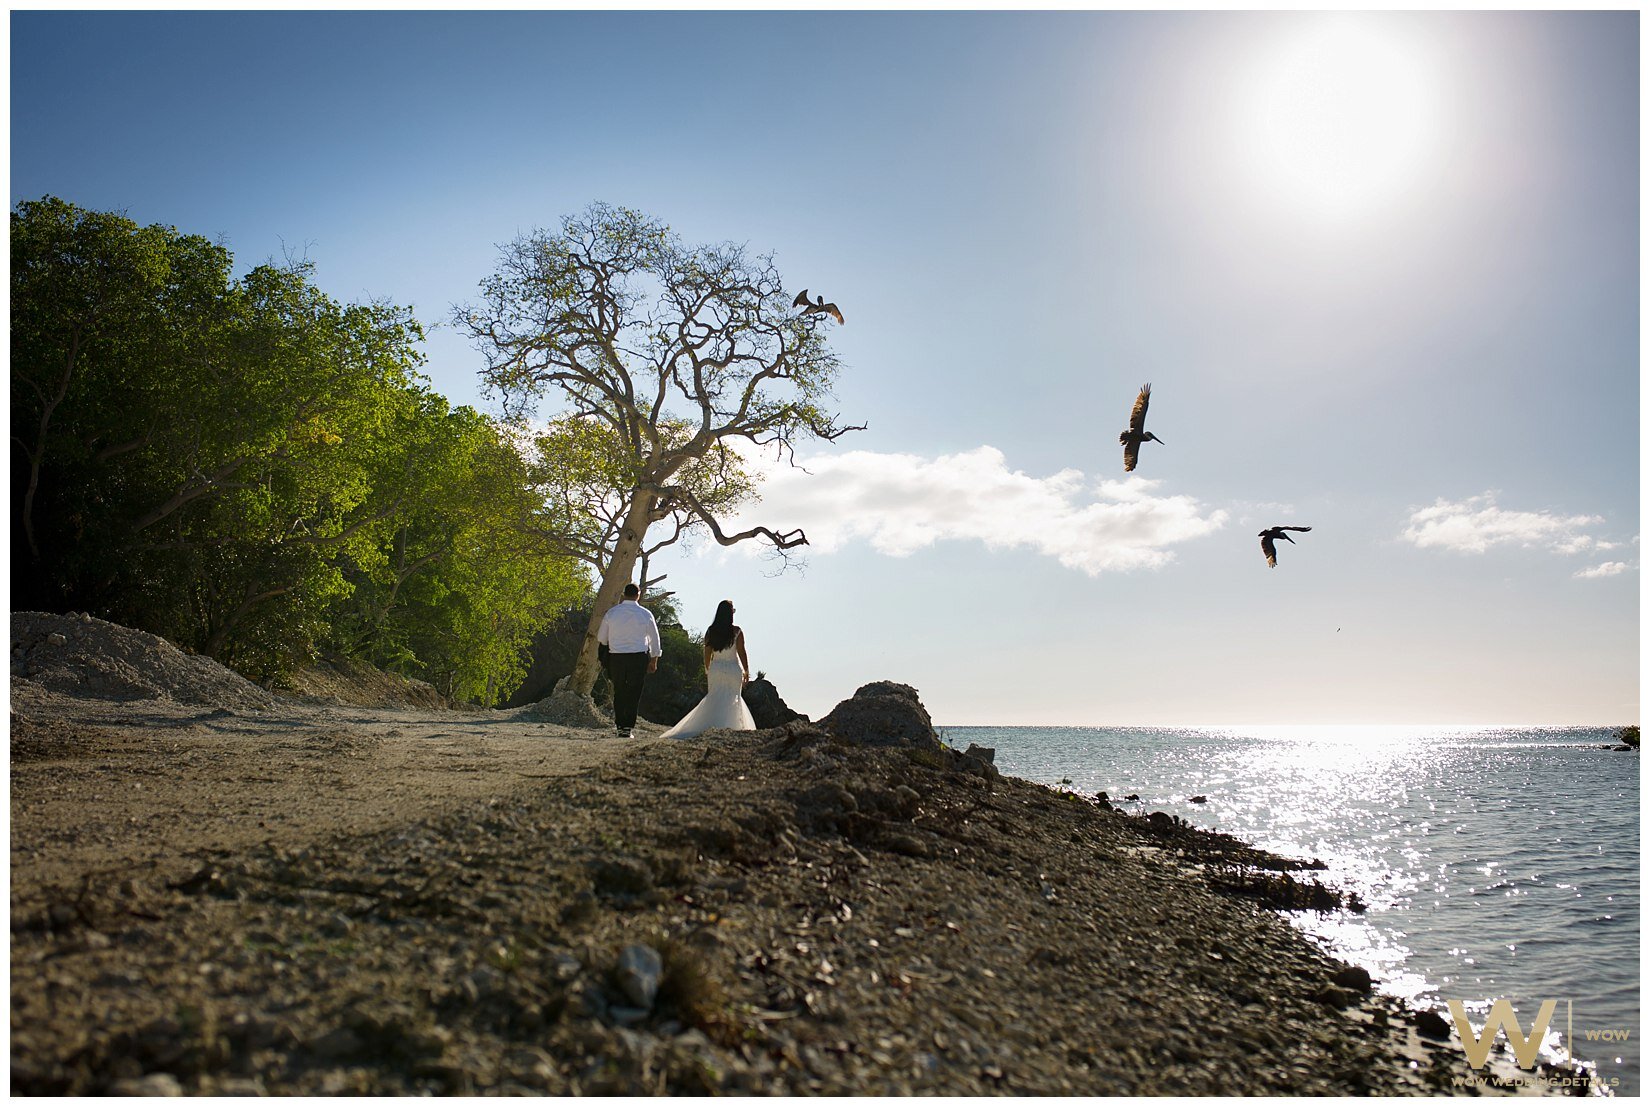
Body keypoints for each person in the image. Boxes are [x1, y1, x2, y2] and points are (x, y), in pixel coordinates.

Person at [661, 600, 756, 740]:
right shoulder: (737, 631)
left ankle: (711, 727)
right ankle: (732, 728)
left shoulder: (711, 631)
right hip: (732, 669)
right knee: (733, 698)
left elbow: (707, 653)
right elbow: (742, 652)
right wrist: (746, 670)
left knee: (714, 697)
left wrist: (707, 668)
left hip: (716, 668)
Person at [596, 583, 660, 738]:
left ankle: (620, 726)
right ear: (638, 594)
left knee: (619, 691)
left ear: (624, 594)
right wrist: (654, 660)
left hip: (617, 657)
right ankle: (628, 727)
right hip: (638, 658)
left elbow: (601, 638)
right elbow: (654, 639)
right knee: (634, 692)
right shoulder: (645, 614)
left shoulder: (612, 613)